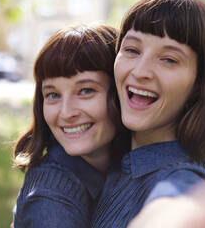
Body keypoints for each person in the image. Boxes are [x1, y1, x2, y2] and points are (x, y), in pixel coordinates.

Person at [91, 0, 205, 227]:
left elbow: (175, 205)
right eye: (132, 50)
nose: (140, 71)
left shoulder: (186, 181)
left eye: (169, 59)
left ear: (200, 84)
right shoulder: (113, 162)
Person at [12, 24, 129, 228]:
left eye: (85, 91)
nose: (66, 113)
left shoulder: (134, 165)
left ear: (121, 93)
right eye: (53, 95)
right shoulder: (50, 198)